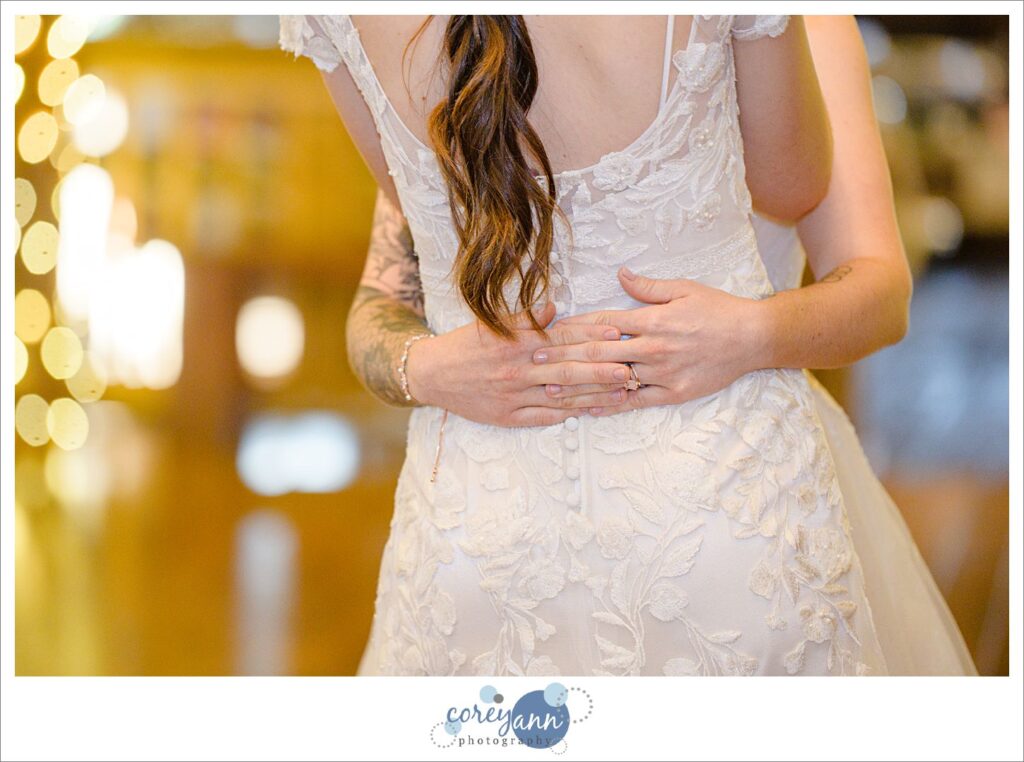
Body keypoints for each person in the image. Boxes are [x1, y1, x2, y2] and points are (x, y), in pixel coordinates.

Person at [280, 14, 977, 675]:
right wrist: (430, 367)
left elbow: (878, 289)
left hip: (517, 526)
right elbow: (383, 299)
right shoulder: (474, 55)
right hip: (701, 511)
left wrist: (752, 331)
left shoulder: (809, 32)